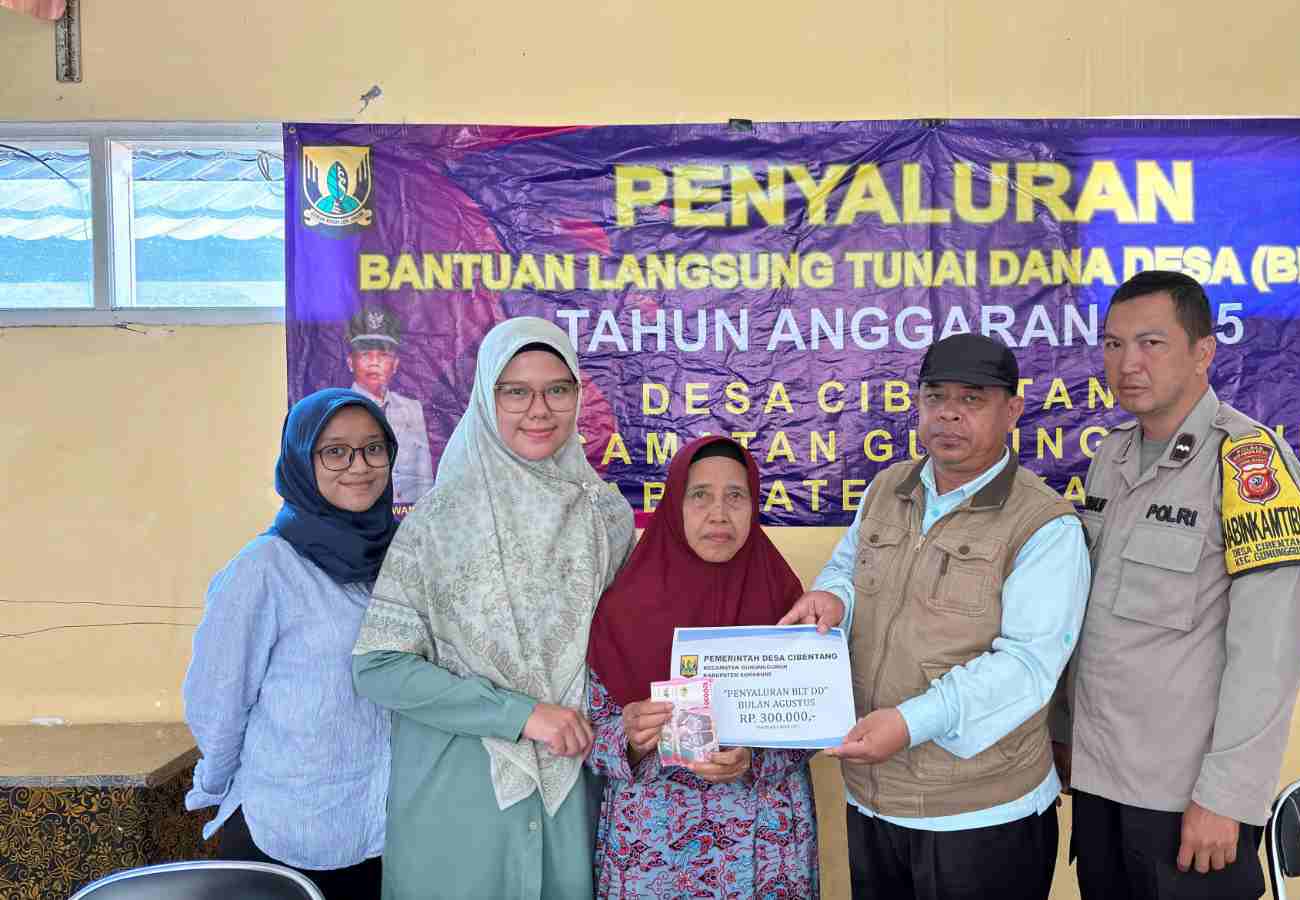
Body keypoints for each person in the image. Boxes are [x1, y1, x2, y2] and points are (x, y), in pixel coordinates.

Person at [779, 333, 1091, 900]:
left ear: (1012, 411)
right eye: (935, 396)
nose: (948, 413)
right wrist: (832, 599)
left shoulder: (1044, 525)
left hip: (981, 815)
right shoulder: (888, 488)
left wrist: (910, 723)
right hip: (873, 800)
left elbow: (1026, 666)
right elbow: (846, 569)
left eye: (971, 399)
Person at [1049, 270, 1300, 900]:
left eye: (1151, 343)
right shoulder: (1111, 456)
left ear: (1203, 352)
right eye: (1114, 344)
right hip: (1100, 780)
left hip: (1186, 798)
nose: (1128, 363)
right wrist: (1063, 730)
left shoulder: (1247, 462)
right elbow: (1088, 619)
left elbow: (1271, 653)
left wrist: (1228, 796)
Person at [351, 317, 634, 900]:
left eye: (557, 389)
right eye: (515, 391)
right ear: (486, 397)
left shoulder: (606, 519)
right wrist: (520, 714)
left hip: (571, 792)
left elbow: (626, 651)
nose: (539, 410)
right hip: (459, 798)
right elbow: (378, 667)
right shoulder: (437, 523)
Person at [184, 388, 399, 900]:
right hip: (286, 829)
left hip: (385, 833)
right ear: (302, 460)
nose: (359, 466)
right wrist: (216, 785)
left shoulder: (402, 559)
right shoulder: (265, 568)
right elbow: (218, 701)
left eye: (373, 448)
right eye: (335, 451)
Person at [586, 435, 819, 899]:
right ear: (675, 505)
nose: (719, 514)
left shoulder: (785, 602)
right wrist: (629, 737)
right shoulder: (621, 610)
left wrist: (755, 760)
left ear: (753, 505)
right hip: (653, 847)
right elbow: (589, 739)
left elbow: (812, 725)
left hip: (765, 847)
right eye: (700, 495)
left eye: (735, 496)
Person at [345, 303, 433, 505]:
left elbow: (424, 477)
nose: (374, 362)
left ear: (395, 365)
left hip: (407, 514)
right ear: (350, 362)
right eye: (365, 354)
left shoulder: (412, 409)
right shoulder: (337, 411)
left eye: (383, 355)